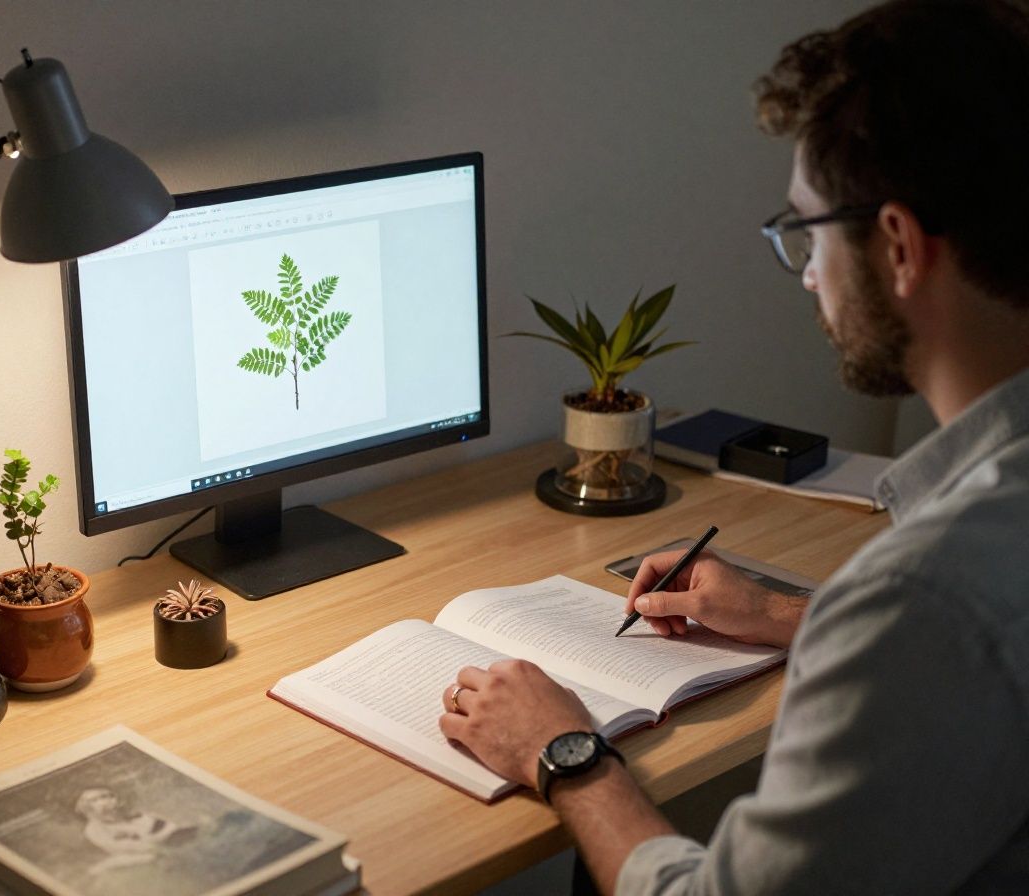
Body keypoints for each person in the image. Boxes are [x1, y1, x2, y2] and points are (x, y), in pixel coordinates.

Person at [438, 1, 1029, 892]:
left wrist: (565, 753)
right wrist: (792, 617)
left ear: (900, 247)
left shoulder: (923, 600)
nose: (810, 278)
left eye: (807, 234)